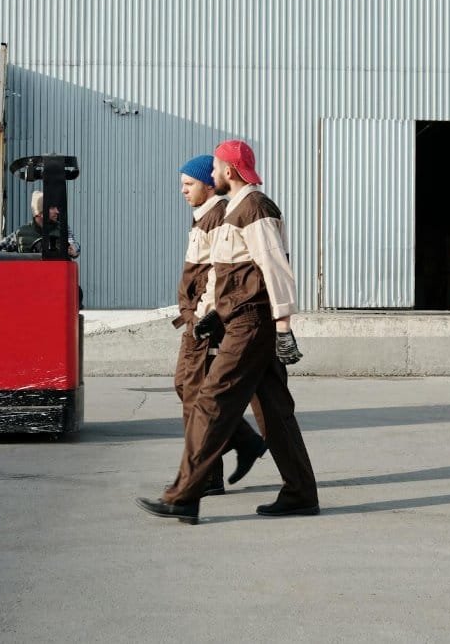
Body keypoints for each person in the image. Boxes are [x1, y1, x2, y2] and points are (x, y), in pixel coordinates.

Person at [136, 140, 318, 524]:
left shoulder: (254, 207)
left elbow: (275, 268)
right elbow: (223, 274)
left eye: (216, 168)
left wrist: (284, 327)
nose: (212, 174)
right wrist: (210, 314)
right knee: (274, 408)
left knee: (211, 402)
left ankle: (184, 495)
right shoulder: (234, 210)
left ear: (228, 172)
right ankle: (300, 492)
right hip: (236, 319)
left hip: (252, 322)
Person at [168, 155, 268, 497]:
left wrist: (204, 314)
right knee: (186, 386)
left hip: (205, 320)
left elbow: (216, 273)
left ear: (209, 185)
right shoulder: (203, 218)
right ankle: (244, 440)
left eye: (189, 184)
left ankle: (206, 476)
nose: (182, 191)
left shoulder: (217, 216)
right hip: (194, 316)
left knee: (197, 393)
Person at [0, 190, 80, 258]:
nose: (57, 211)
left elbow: (73, 244)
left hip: (56, 278)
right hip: (30, 279)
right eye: (52, 208)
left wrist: (74, 248)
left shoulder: (63, 229)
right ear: (39, 213)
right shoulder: (21, 234)